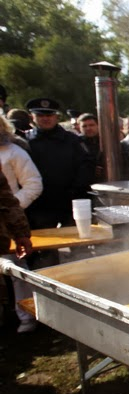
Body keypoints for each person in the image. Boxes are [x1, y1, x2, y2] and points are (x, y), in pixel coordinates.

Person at [24, 98, 94, 231]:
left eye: (49, 115)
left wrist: (76, 190)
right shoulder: (25, 142)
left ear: (56, 117)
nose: (46, 119)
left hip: (70, 201)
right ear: (32, 117)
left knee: (76, 239)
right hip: (40, 205)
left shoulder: (73, 140)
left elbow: (86, 165)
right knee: (45, 242)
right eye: (40, 115)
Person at [0, 115, 41, 332]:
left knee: (16, 271)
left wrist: (18, 228)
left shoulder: (15, 152)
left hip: (4, 227)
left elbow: (28, 186)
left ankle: (26, 317)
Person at [77, 113, 104, 183]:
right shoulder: (75, 143)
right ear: (79, 128)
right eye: (84, 126)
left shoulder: (106, 140)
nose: (88, 128)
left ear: (98, 125)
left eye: (91, 125)